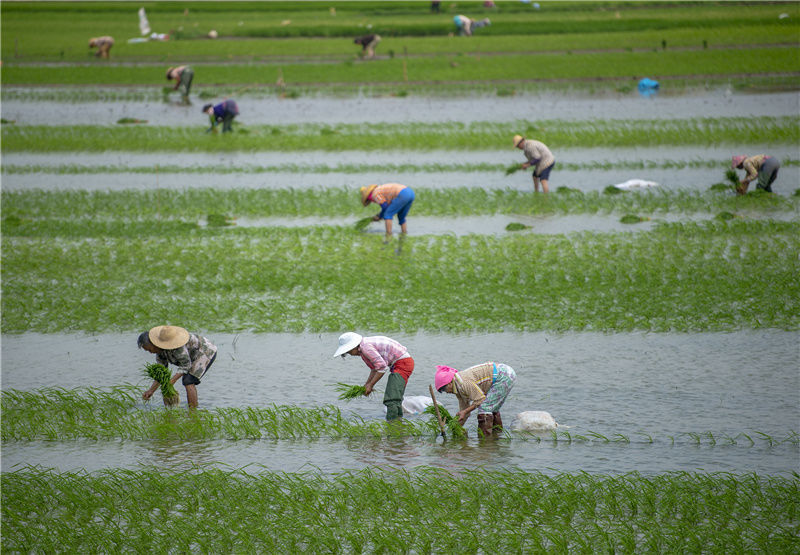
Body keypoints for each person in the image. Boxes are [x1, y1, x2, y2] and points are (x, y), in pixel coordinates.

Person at [333, 332, 415, 421]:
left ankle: (393, 426)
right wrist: (366, 385)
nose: (351, 354)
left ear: (354, 346)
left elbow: (382, 368)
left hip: (403, 363)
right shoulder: (363, 350)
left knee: (392, 399)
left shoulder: (366, 348)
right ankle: (398, 423)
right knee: (395, 398)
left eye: (349, 351)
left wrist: (370, 385)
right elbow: (374, 369)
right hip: (397, 364)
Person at [138, 325, 217, 408]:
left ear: (154, 344)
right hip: (191, 356)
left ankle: (193, 412)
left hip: (205, 351)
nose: (150, 352)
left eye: (150, 349)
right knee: (177, 381)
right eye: (148, 351)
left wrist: (172, 381)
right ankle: (171, 409)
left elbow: (186, 365)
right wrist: (151, 390)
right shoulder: (159, 351)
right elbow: (161, 373)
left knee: (188, 380)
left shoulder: (177, 347)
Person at [434, 362, 517, 437]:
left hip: (503, 375)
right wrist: (456, 428)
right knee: (491, 408)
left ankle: (485, 441)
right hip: (502, 374)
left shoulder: (463, 383)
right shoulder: (458, 390)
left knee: (485, 408)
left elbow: (480, 399)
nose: (446, 392)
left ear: (449, 383)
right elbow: (464, 411)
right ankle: (496, 437)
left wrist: (465, 411)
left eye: (444, 389)